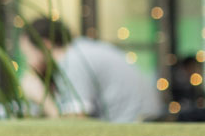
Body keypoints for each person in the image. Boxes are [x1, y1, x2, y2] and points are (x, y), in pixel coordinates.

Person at [23, 18, 162, 123]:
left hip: (131, 129)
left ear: (45, 45)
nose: (28, 61)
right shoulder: (82, 48)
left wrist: (43, 98)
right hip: (143, 122)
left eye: (27, 53)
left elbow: (75, 125)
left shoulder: (73, 61)